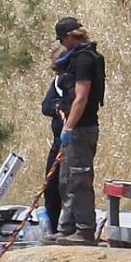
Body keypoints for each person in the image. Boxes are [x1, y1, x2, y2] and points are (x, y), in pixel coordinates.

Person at [46, 17, 106, 246]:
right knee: (66, 179)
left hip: (81, 128)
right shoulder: (78, 58)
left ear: (70, 37)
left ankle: (84, 229)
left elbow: (81, 98)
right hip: (75, 128)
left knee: (79, 179)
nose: (62, 43)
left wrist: (68, 126)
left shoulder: (84, 60)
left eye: (62, 39)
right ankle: (66, 228)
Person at [40, 45, 73, 234]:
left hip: (72, 142)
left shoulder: (76, 81)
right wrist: (57, 106)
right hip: (57, 141)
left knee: (69, 187)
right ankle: (54, 230)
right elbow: (46, 106)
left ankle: (70, 229)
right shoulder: (58, 83)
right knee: (50, 187)